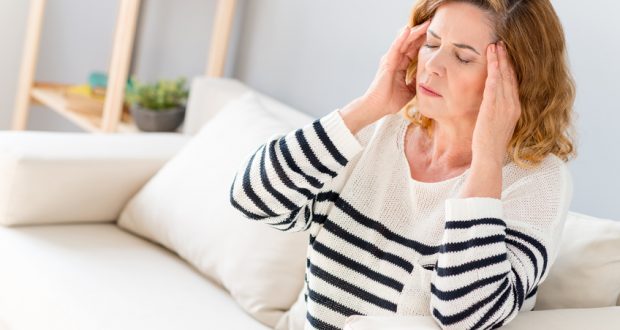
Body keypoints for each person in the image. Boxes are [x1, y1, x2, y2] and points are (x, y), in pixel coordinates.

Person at [229, 0, 576, 329]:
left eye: (463, 57)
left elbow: (467, 318)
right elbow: (253, 198)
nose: (434, 65)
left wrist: (487, 157)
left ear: (516, 80)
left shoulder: (536, 180)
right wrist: (368, 105)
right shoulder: (374, 134)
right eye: (431, 43)